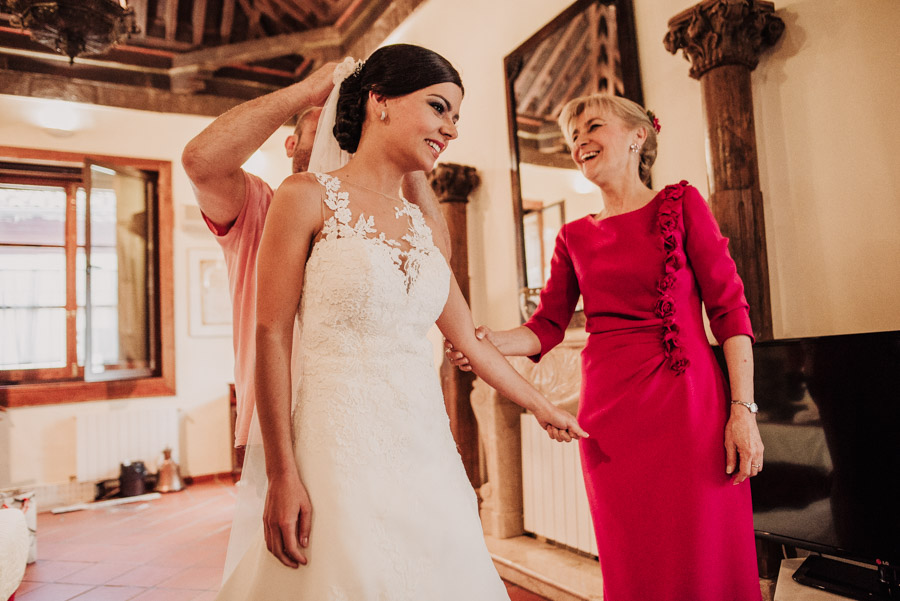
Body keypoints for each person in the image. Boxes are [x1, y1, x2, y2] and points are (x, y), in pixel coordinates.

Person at [214, 44, 587, 601]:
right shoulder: (306, 197)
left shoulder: (422, 229)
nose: (451, 129)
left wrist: (541, 406)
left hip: (426, 452)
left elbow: (470, 340)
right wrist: (282, 473)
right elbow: (270, 335)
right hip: (335, 453)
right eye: (440, 108)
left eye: (456, 116)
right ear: (379, 101)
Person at [446, 93, 765, 601]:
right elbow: (547, 325)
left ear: (638, 136)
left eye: (592, 127)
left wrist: (742, 411)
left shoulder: (682, 205)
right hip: (611, 419)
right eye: (573, 137)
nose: (580, 143)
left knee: (705, 548)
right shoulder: (573, 237)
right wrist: (486, 342)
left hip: (689, 410)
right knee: (633, 555)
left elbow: (730, 311)